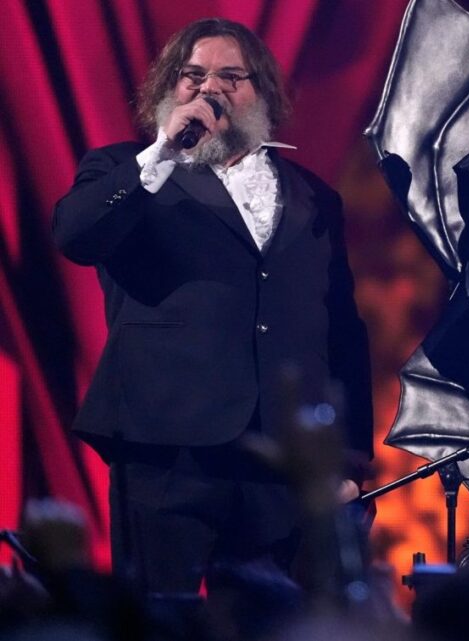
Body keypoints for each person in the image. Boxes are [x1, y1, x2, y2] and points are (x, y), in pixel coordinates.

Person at [52, 18, 373, 593]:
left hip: (280, 462)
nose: (210, 89)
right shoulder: (127, 171)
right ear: (168, 89)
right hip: (166, 452)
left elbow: (342, 331)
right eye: (193, 76)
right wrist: (162, 153)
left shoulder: (314, 197)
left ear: (262, 92)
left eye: (230, 76)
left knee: (274, 622)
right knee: (160, 619)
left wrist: (346, 458)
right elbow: (76, 237)